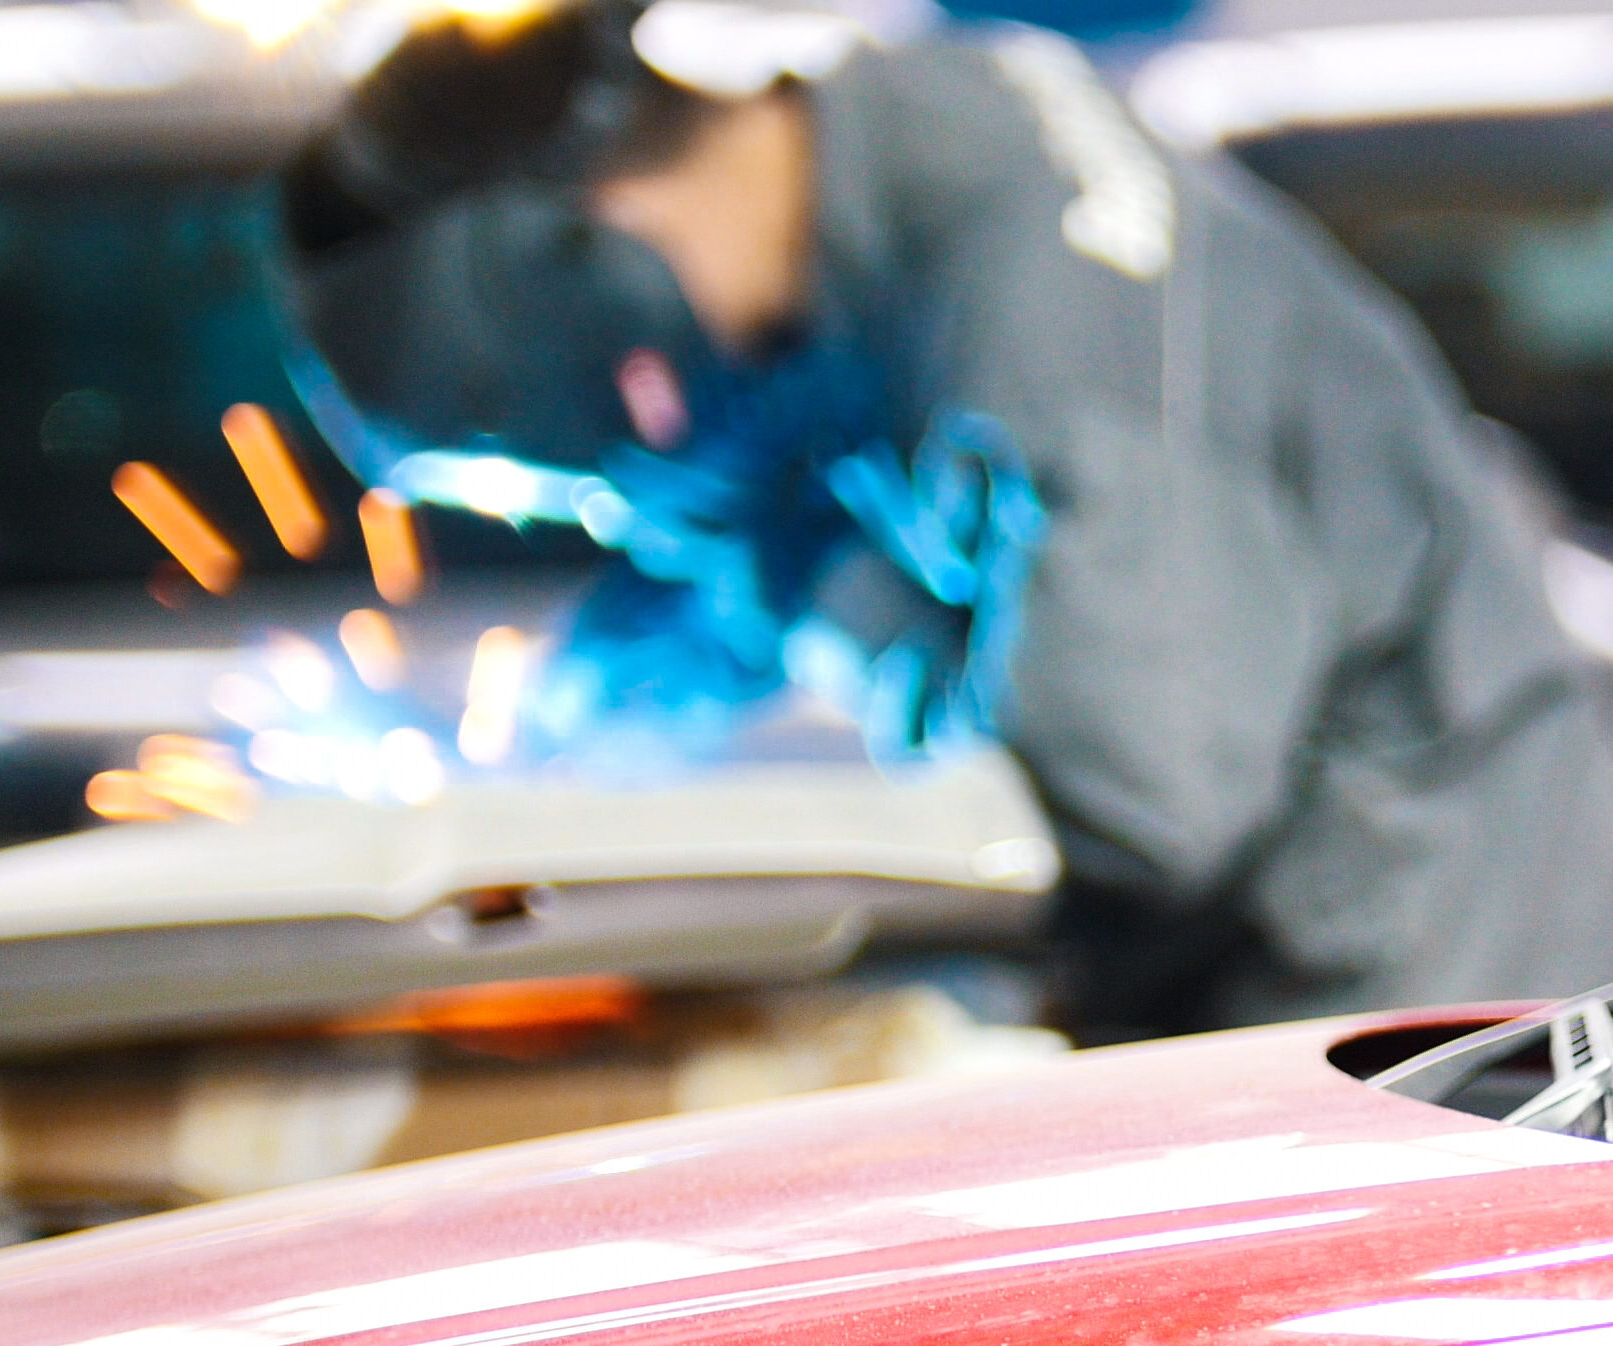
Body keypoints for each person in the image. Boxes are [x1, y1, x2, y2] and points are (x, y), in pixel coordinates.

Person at [281, 0, 1613, 1033]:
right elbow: (743, 552)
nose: (630, 493)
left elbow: (1142, 802)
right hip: (1392, 959)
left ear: (609, 262)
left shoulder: (1044, 340)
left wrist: (821, 600)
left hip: (1432, 1016)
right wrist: (580, 726)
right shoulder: (908, 157)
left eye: (594, 465)